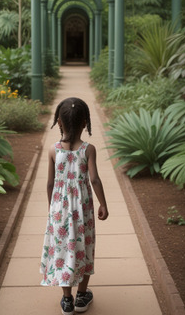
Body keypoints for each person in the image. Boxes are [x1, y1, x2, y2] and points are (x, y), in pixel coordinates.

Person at [40, 97, 109, 315]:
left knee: (62, 251)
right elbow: (95, 180)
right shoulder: (88, 150)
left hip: (59, 211)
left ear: (58, 122)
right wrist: (103, 204)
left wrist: (52, 209)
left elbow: (50, 183)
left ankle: (67, 300)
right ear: (84, 123)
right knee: (84, 248)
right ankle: (82, 296)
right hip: (82, 211)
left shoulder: (53, 150)